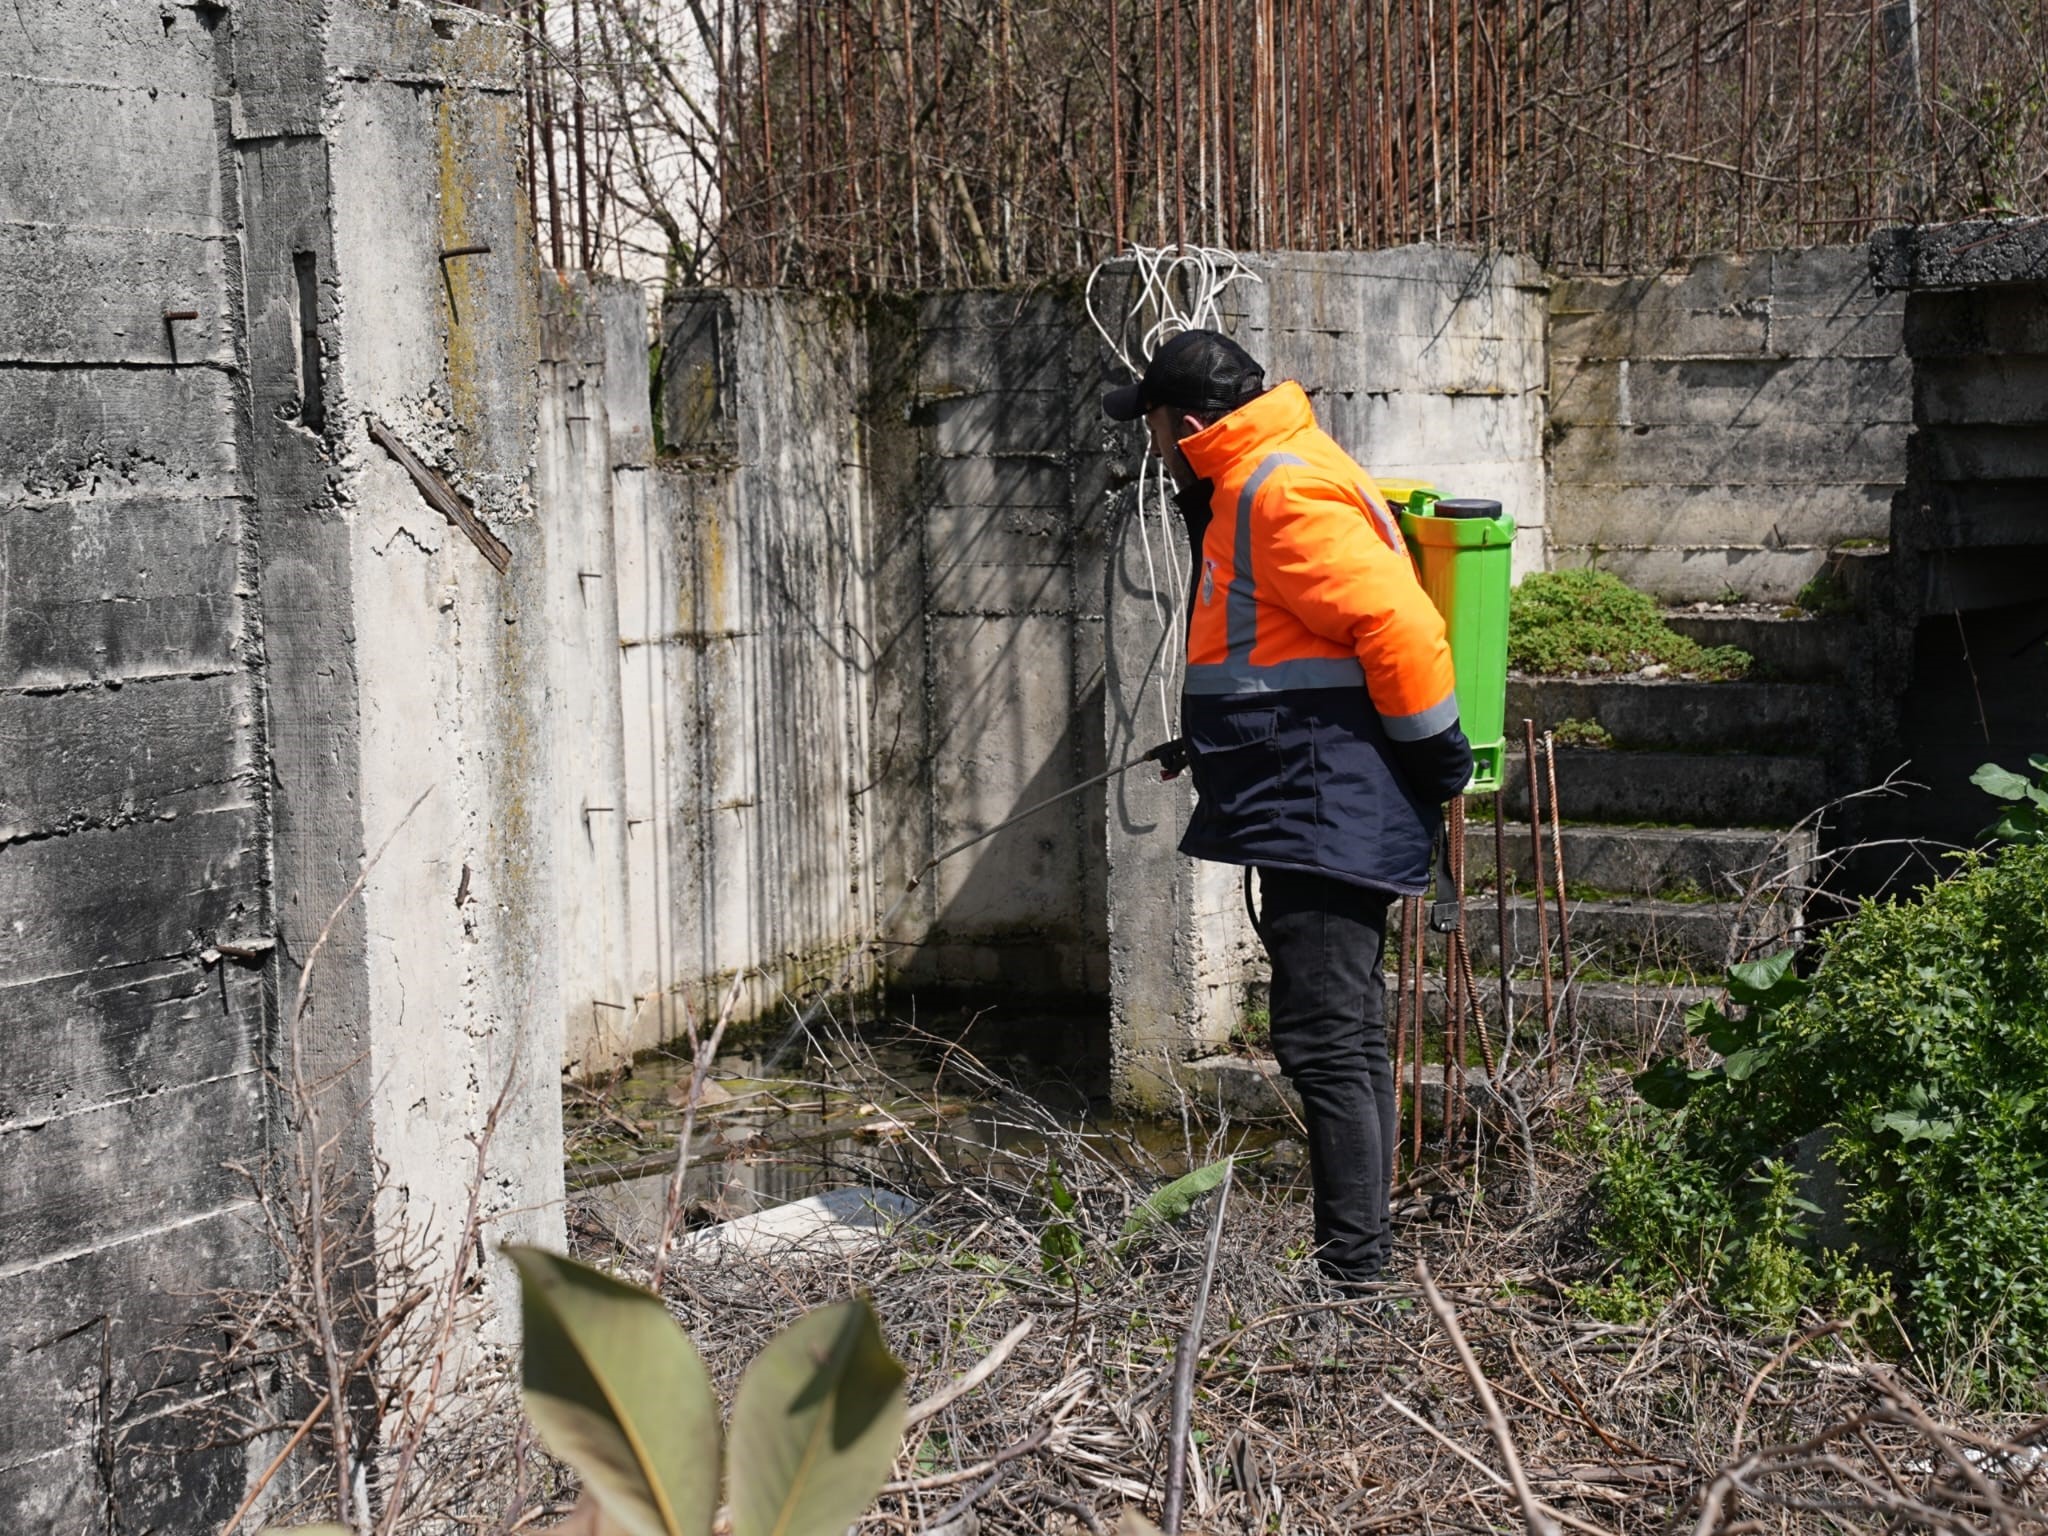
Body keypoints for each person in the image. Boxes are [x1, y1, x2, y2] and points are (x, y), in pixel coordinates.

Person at [1104, 329, 1472, 1288]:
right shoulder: (1264, 475)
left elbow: (1398, 625)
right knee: (1343, 1038)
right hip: (1313, 790)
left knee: (1326, 1043)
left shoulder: (1277, 488)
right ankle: (1360, 1270)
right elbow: (1287, 649)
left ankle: (1355, 1283)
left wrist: (1438, 756)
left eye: (1152, 426)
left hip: (1324, 804)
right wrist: (1217, 737)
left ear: (1188, 426)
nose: (1150, 446)